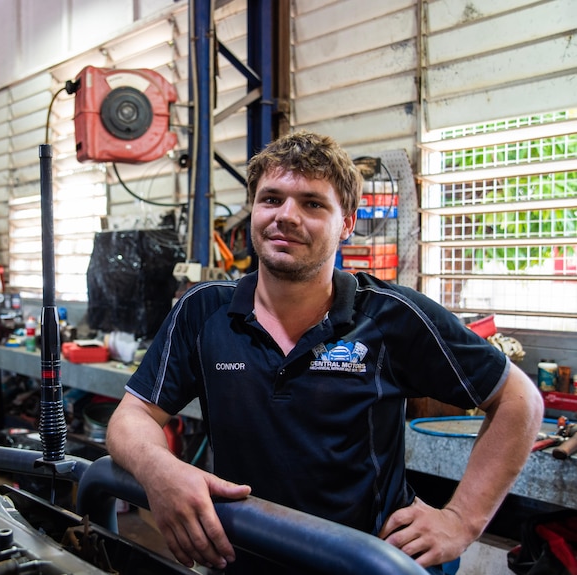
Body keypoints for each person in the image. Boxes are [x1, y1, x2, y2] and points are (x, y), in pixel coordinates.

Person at [105, 130, 544, 573]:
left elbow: (518, 399)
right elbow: (132, 418)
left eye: (313, 203)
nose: (286, 216)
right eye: (271, 199)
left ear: (347, 223)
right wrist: (161, 472)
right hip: (245, 558)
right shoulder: (202, 311)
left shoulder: (391, 316)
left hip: (366, 564)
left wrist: (461, 520)